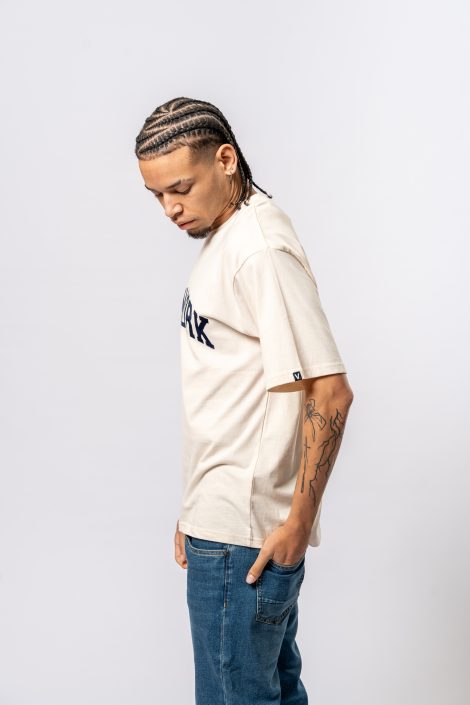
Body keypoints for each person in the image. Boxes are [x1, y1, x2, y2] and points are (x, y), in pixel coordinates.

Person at [135, 96, 354, 705]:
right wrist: (197, 506)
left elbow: (330, 392)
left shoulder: (259, 250)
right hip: (226, 522)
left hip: (244, 537)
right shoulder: (232, 231)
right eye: (156, 195)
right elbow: (230, 387)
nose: (170, 208)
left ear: (225, 159)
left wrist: (298, 523)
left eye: (180, 188)